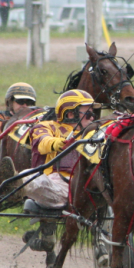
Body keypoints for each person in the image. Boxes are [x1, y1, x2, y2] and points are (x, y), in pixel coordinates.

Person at [0, 90, 95, 252]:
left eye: (92, 112)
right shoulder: (46, 126)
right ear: (70, 113)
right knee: (38, 179)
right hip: (58, 186)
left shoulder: (93, 131)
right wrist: (58, 143)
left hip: (88, 187)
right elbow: (41, 141)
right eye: (87, 112)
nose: (92, 116)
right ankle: (16, 183)